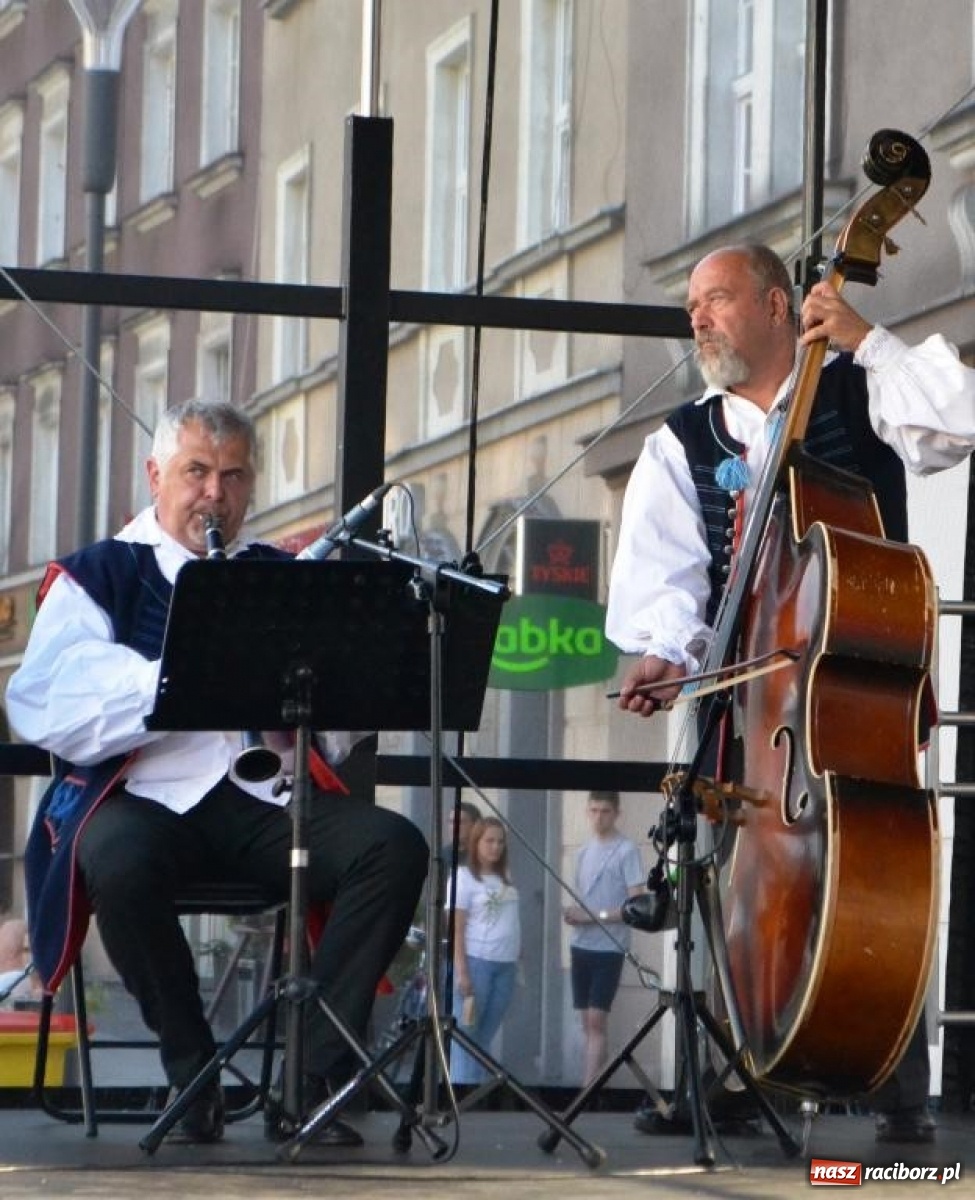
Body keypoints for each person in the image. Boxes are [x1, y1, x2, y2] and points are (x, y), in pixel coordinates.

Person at [606, 243, 975, 1145]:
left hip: (859, 689)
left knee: (874, 867)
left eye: (717, 299)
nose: (697, 318)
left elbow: (961, 420)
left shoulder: (856, 387)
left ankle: (894, 1083)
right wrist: (664, 650)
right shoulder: (682, 440)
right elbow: (667, 577)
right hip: (749, 704)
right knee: (733, 872)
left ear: (778, 305)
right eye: (691, 304)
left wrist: (870, 341)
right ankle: (746, 1066)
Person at [4, 399, 428, 1146]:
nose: (214, 494)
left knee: (390, 846)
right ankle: (192, 1071)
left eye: (232, 477)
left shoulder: (275, 573)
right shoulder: (99, 574)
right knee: (113, 857)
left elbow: (326, 732)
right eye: (196, 472)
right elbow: (41, 706)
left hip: (257, 798)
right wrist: (181, 678)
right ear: (155, 475)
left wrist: (354, 683)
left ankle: (310, 1078)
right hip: (142, 797)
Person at [562, 791, 645, 1084]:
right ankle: (597, 1076)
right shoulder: (582, 852)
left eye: (605, 811)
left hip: (609, 946)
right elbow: (581, 897)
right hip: (580, 944)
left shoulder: (626, 850)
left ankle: (588, 1086)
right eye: (594, 810)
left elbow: (636, 906)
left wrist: (595, 916)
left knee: (597, 1019)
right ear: (587, 812)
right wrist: (574, 913)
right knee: (587, 1021)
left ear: (616, 814)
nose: (599, 817)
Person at [450, 816, 521, 1085]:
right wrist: (462, 972)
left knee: (484, 1036)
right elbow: (456, 929)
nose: (495, 847)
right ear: (476, 842)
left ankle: (475, 1090)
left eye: (500, 842)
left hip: (506, 964)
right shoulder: (464, 877)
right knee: (466, 1036)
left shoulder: (505, 878)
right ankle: (460, 1091)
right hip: (476, 962)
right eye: (489, 841)